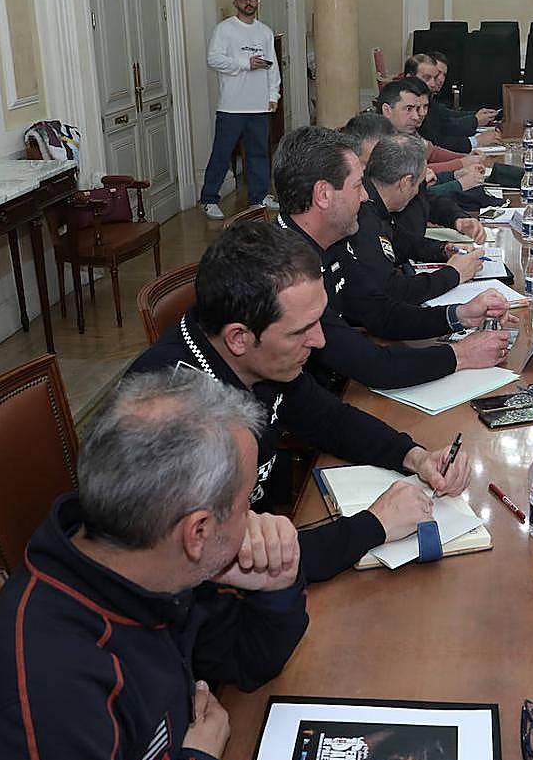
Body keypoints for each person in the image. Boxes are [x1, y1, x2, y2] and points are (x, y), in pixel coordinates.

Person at [0, 371, 309, 760]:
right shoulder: (51, 697)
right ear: (198, 531)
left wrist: (275, 587)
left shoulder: (144, 564)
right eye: (249, 501)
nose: (254, 518)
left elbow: (246, 663)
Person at [128, 221, 475, 582]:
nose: (321, 341)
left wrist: (415, 456)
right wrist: (375, 525)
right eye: (301, 330)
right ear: (239, 338)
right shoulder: (169, 416)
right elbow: (215, 570)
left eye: (320, 320)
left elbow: (329, 419)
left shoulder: (262, 358)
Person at [271, 125, 512, 390]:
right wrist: (462, 354)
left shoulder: (329, 242)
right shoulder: (286, 273)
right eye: (356, 186)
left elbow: (379, 313)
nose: (365, 197)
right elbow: (371, 364)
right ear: (324, 195)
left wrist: (460, 315)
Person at [353, 132, 483, 304]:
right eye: (419, 184)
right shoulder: (363, 219)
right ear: (405, 182)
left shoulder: (378, 206)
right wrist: (453, 274)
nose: (417, 192)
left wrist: (443, 249)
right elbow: (394, 290)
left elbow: (404, 242)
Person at [200, 0, 281, 218]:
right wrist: (245, 64)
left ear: (257, 1)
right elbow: (213, 59)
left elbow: (272, 68)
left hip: (260, 106)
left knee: (259, 153)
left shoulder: (265, 31)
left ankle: (259, 197)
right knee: (222, 152)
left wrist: (272, 96)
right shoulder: (225, 30)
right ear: (235, 3)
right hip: (232, 106)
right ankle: (209, 199)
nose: (248, 1)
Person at [341, 113, 487, 241]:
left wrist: (457, 218)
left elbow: (429, 200)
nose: (384, 163)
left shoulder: (402, 171)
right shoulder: (356, 203)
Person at [407, 52, 500, 153]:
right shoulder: (401, 105)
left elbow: (446, 125)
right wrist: (475, 141)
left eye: (435, 77)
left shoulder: (428, 100)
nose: (434, 83)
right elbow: (435, 142)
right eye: (427, 78)